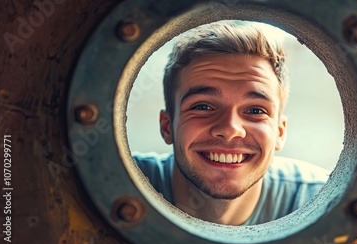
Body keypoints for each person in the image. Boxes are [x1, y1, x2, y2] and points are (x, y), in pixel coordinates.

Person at [133, 20, 328, 226]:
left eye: (255, 110)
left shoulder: (321, 203)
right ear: (167, 126)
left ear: (279, 133)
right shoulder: (117, 184)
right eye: (203, 107)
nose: (230, 129)